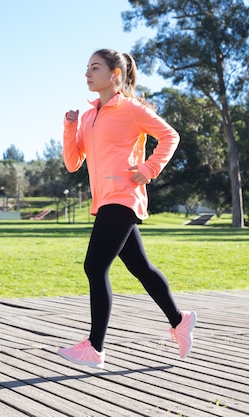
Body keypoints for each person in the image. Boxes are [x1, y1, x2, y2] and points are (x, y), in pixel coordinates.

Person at [57, 48, 197, 369]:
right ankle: (180, 320)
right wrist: (70, 128)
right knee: (140, 268)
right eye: (87, 68)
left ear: (115, 75)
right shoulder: (89, 116)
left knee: (94, 267)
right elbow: (72, 163)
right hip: (104, 200)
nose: (87, 74)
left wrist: (148, 170)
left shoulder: (131, 109)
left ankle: (95, 347)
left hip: (123, 197)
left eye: (95, 68)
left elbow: (170, 136)